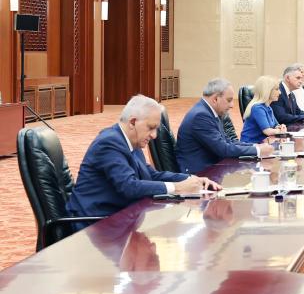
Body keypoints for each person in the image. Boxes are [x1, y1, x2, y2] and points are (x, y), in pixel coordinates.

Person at [66, 95, 220, 221]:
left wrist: (192, 179)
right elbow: (129, 187)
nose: (154, 135)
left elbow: (151, 175)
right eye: (151, 128)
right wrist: (178, 188)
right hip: (94, 224)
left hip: (118, 217)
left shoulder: (132, 141)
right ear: (133, 122)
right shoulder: (109, 143)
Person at [176, 78, 273, 174]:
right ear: (215, 99)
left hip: (212, 166)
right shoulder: (201, 116)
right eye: (229, 100)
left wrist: (255, 146)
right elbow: (223, 149)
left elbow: (228, 141)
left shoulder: (209, 111)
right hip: (199, 173)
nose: (232, 105)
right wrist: (258, 150)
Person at [241, 76, 287, 144]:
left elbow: (276, 125)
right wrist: (280, 131)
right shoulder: (257, 108)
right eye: (277, 89)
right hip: (250, 145)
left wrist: (281, 127)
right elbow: (267, 131)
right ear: (267, 90)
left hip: (263, 144)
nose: (280, 93)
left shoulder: (268, 107)